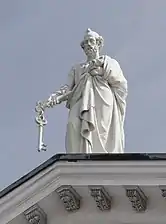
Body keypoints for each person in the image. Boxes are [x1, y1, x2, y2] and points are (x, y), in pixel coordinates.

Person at [49, 28, 128, 153]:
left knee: (101, 128)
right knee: (73, 124)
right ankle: (79, 158)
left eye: (91, 41)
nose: (88, 45)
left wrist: (102, 71)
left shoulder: (108, 62)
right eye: (85, 43)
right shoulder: (77, 68)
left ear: (98, 43)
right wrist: (54, 98)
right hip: (80, 100)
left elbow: (121, 84)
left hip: (103, 98)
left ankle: (103, 156)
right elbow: (67, 88)